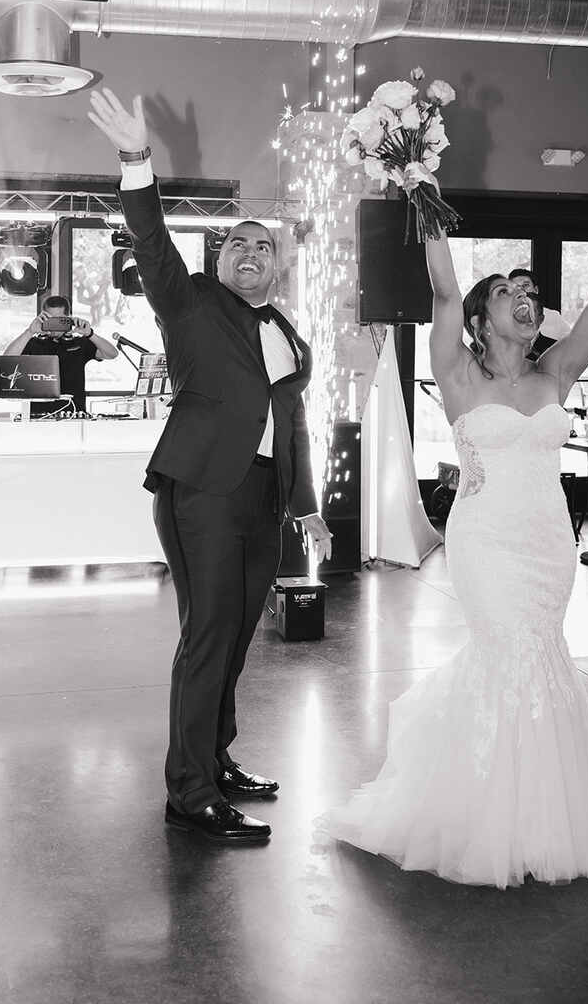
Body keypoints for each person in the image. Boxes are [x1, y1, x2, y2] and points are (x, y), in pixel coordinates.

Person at [324, 173, 588, 888]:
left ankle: (543, 805)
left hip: (548, 544)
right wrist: (425, 203)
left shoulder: (556, 372)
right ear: (480, 320)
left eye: (529, 293)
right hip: (488, 544)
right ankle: (486, 809)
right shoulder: (458, 374)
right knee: (506, 654)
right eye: (507, 292)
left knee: (543, 657)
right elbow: (444, 288)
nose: (524, 298)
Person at [88, 87, 331, 844]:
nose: (250, 253)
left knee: (235, 635)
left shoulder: (288, 333)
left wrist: (306, 504)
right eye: (236, 245)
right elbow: (152, 242)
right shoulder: (191, 303)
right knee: (206, 635)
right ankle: (188, 791)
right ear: (218, 261)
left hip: (263, 499)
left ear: (278, 265)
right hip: (201, 491)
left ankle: (216, 759)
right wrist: (136, 161)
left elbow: (291, 421)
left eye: (262, 246)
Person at [2, 294, 118, 416]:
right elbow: (5, 361)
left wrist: (90, 334)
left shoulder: (80, 343)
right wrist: (29, 332)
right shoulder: (33, 343)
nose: (55, 325)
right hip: (38, 417)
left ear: (68, 319)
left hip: (73, 415)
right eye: (51, 319)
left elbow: (112, 354)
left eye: (59, 320)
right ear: (43, 317)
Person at [507, 268, 572, 360]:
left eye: (525, 285)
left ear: (536, 289)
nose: (522, 291)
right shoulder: (502, 317)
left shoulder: (553, 317)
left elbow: (572, 348)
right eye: (515, 287)